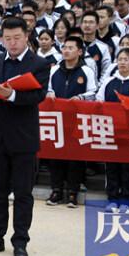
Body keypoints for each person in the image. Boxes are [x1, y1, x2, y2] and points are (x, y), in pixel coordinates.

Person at [0, 17, 50, 256]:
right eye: (7, 39)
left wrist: (12, 95)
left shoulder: (39, 64)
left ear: (26, 36)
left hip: (23, 138)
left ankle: (20, 241)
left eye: (17, 38)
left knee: (23, 193)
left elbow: (38, 96)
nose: (13, 43)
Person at [45, 37, 97, 208]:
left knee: (75, 156)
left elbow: (94, 92)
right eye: (64, 47)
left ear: (79, 51)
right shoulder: (54, 70)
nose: (66, 50)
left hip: (78, 119)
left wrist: (81, 97)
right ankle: (56, 190)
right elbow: (47, 87)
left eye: (70, 48)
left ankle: (73, 192)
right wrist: (49, 93)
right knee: (56, 155)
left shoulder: (86, 70)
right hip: (57, 118)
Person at [96, 48, 129, 213]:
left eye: (126, 60)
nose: (122, 63)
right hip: (110, 130)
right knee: (111, 166)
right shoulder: (109, 81)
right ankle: (112, 198)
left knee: (127, 167)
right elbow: (99, 101)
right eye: (120, 59)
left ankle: (126, 199)